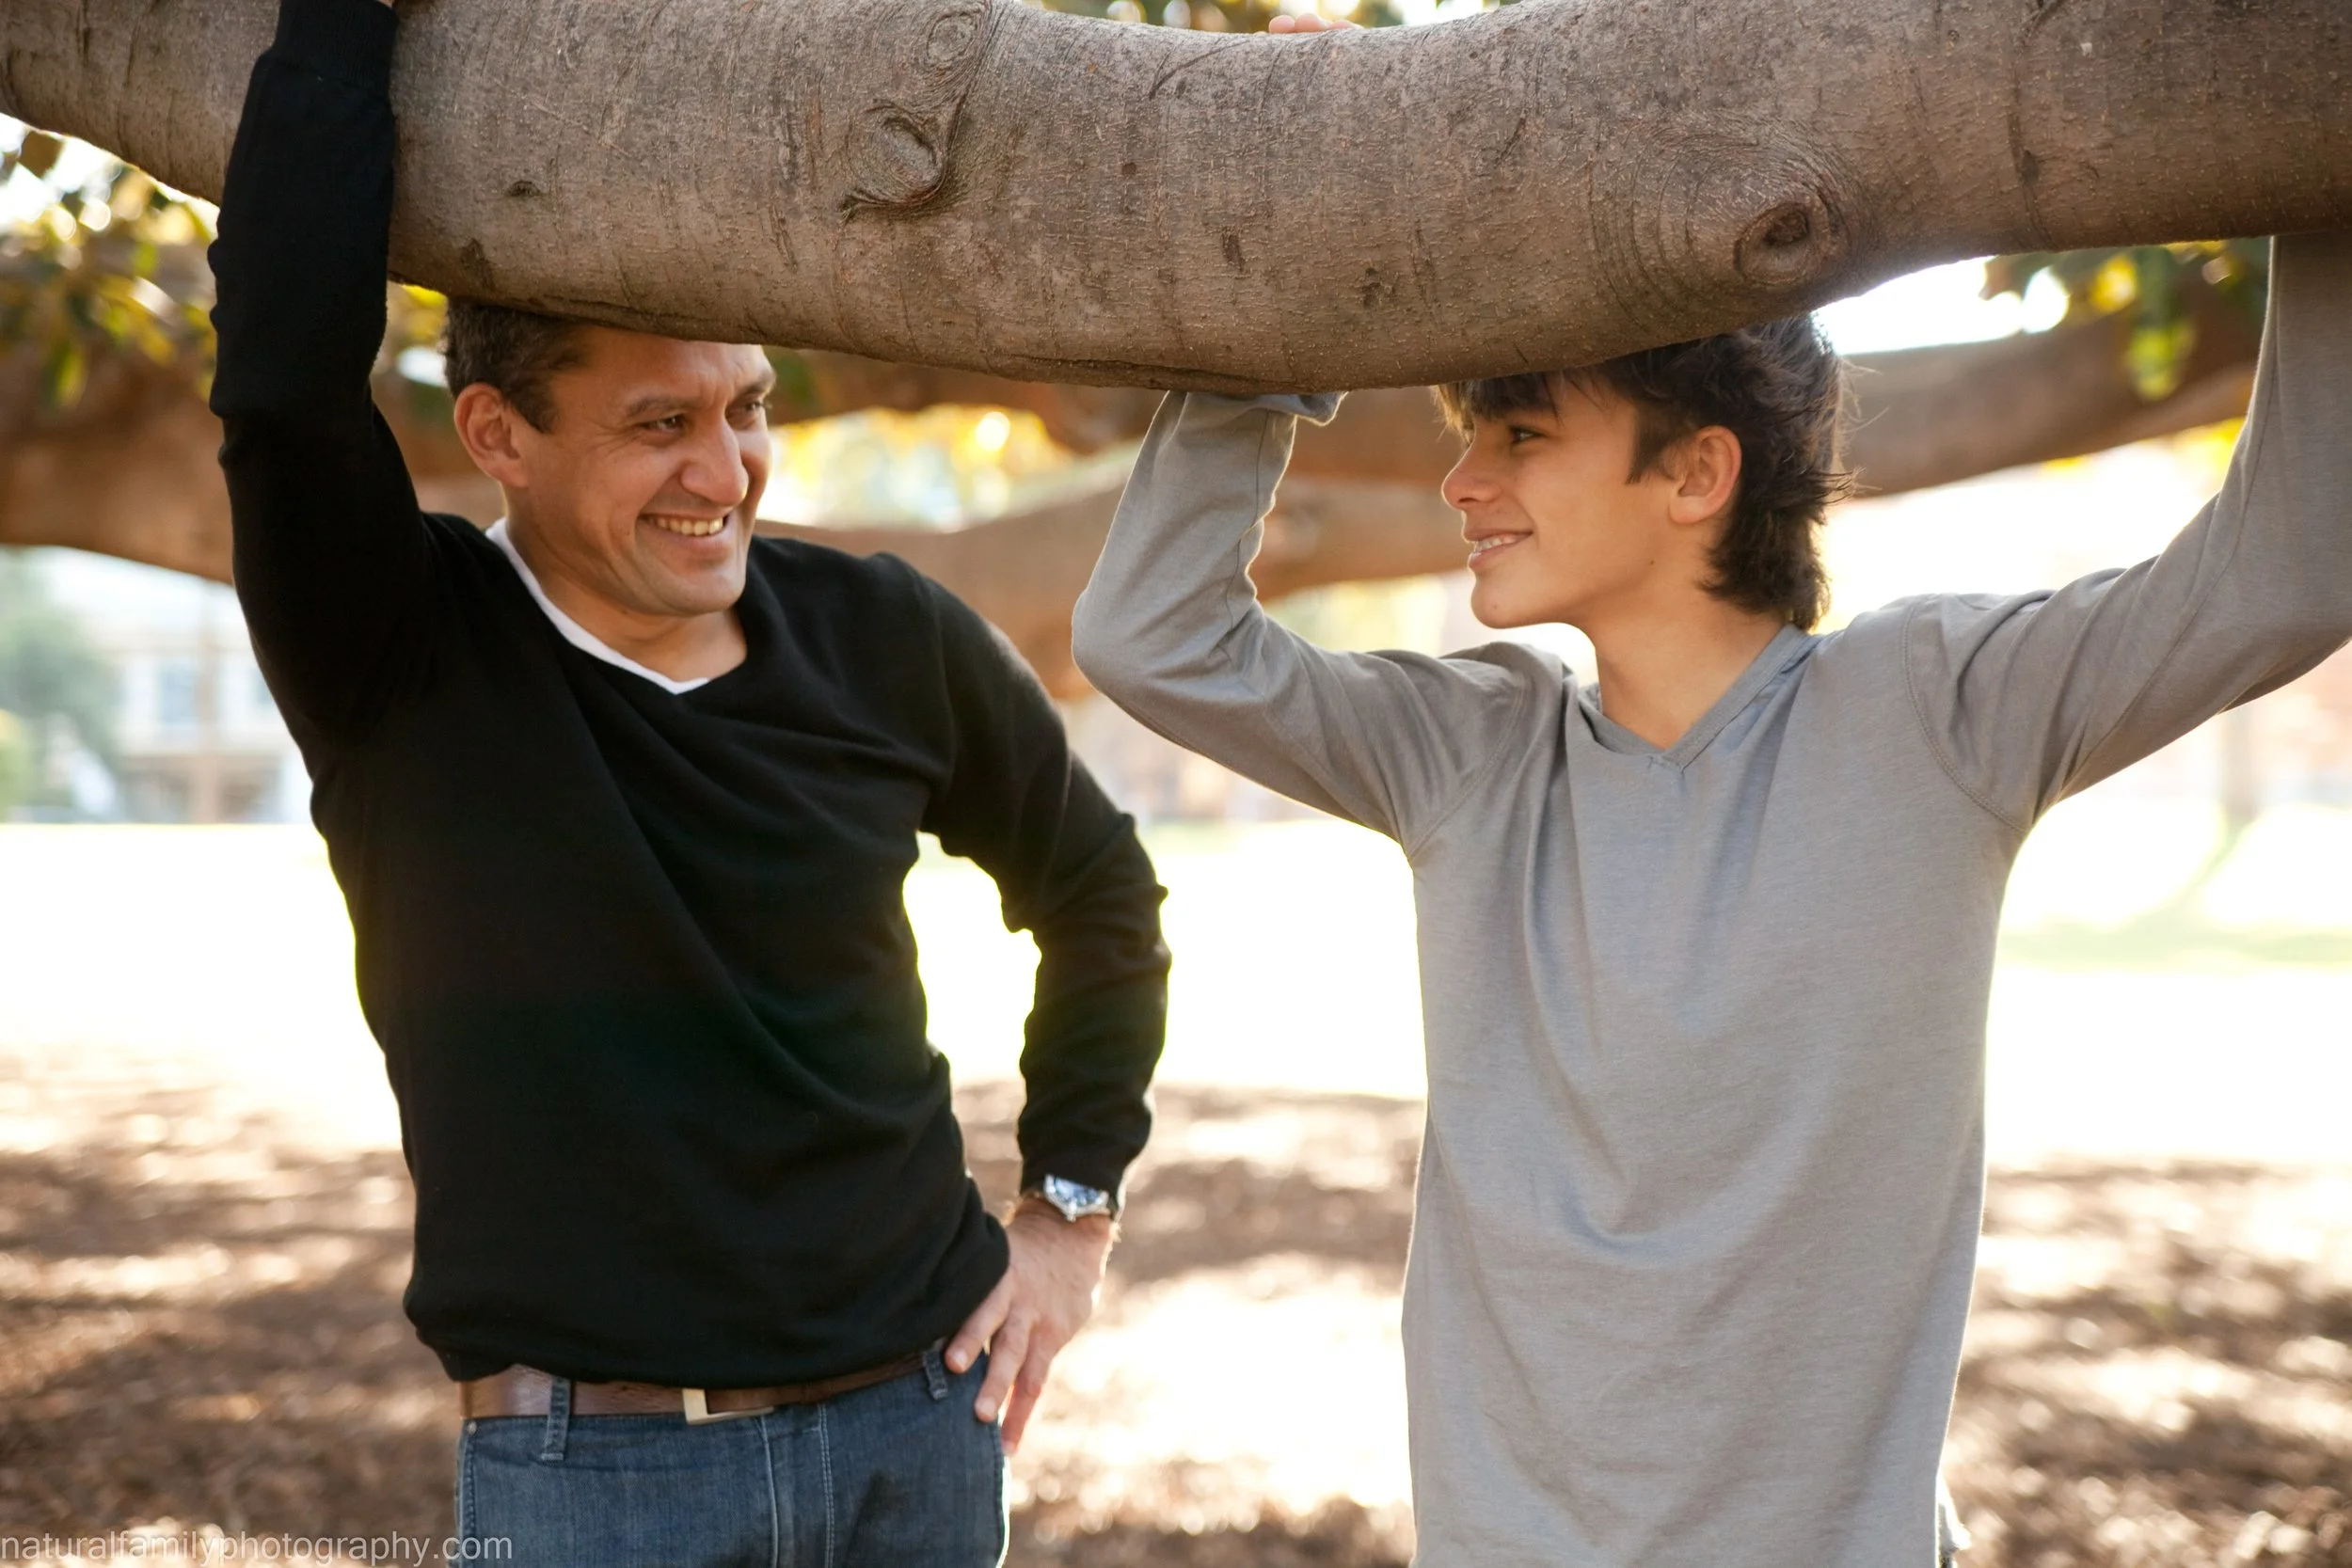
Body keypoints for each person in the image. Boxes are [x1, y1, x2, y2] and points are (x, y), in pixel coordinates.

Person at [1070, 159, 2351, 1565]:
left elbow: (2287, 569)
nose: (1462, 480)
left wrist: (2304, 145)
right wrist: (1288, 262)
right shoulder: (1468, 752)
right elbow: (1153, 637)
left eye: (1520, 435)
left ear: (1696, 471)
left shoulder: (1940, 712)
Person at [208, 0, 1170, 1561]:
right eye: (659, 425)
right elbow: (279, 376)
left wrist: (1069, 1208)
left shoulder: (885, 632)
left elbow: (1100, 892)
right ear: (497, 435)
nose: (721, 474)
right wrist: (339, 25)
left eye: (745, 407)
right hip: (593, 1474)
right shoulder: (397, 653)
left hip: (917, 1435)